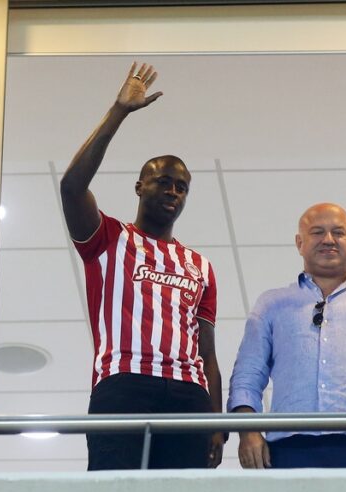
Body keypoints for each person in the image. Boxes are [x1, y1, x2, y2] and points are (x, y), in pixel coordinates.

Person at [60, 62, 225, 470]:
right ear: (140, 186)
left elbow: (207, 352)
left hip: (189, 394)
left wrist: (217, 424)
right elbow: (72, 187)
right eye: (163, 181)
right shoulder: (108, 238)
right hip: (123, 385)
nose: (173, 191)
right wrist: (118, 112)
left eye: (181, 187)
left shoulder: (200, 265)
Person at [227, 202, 346, 469]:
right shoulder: (272, 304)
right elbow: (246, 377)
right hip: (287, 448)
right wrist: (248, 433)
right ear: (299, 243)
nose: (328, 239)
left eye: (338, 233)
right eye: (317, 232)